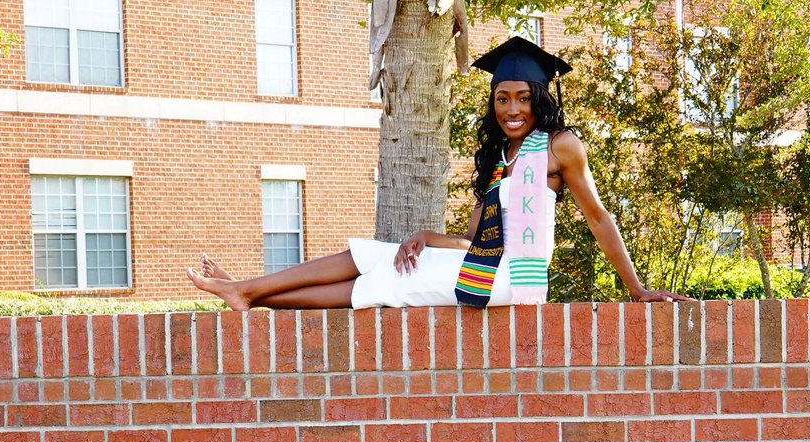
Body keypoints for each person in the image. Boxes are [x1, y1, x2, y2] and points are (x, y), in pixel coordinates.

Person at [186, 37, 689, 310]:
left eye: (522, 98)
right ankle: (250, 291)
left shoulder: (559, 147)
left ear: (540, 100)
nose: (511, 108)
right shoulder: (499, 162)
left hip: (514, 280)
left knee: (386, 281)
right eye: (502, 98)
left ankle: (249, 293)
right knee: (374, 256)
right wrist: (427, 235)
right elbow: (473, 239)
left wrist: (637, 289)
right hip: (483, 267)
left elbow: (598, 218)